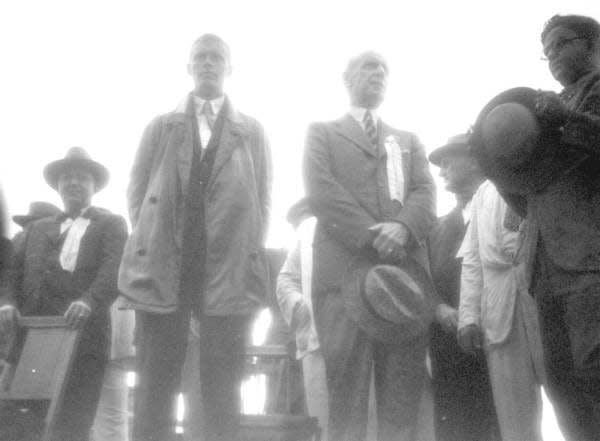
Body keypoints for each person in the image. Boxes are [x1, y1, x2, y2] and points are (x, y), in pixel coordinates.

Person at [118, 33, 272, 441]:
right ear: (189, 67)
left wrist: (245, 250)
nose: (208, 63)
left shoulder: (251, 132)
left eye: (216, 57)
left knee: (223, 380)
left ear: (229, 68)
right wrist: (156, 241)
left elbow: (263, 201)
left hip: (226, 268)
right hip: (167, 265)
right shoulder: (161, 127)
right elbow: (138, 194)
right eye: (200, 57)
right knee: (155, 379)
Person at [303, 50, 436, 441]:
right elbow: (322, 190)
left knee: (401, 399)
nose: (378, 72)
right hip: (343, 280)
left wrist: (403, 227)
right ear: (347, 79)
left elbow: (426, 192)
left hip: (403, 281)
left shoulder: (407, 139)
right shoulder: (322, 132)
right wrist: (375, 234)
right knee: (348, 395)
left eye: (383, 68)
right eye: (368, 66)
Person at [481, 14, 600, 441]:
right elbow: (527, 198)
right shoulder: (543, 110)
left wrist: (569, 117)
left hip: (589, 257)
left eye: (560, 44)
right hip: (544, 263)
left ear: (591, 44)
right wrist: (495, 165)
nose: (551, 55)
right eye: (545, 50)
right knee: (561, 380)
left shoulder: (577, 100)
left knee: (594, 366)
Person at [0, 147, 128, 441]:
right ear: (58, 186)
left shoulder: (110, 224)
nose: (73, 183)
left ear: (94, 186)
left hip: (84, 337)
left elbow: (113, 271)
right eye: (67, 178)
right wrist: (6, 302)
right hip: (34, 338)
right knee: (26, 418)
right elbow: (10, 273)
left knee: (73, 421)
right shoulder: (37, 229)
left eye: (82, 178)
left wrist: (88, 300)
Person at [457, 180, 545, 441]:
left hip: (544, 301)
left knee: (570, 403)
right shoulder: (483, 193)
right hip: (499, 312)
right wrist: (468, 316)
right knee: (515, 418)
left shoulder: (539, 172)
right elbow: (472, 256)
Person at [427, 134, 499, 441]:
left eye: (447, 162)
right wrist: (437, 308)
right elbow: (422, 282)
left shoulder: (502, 211)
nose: (441, 171)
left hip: (495, 342)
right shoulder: (435, 229)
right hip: (448, 352)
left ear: (473, 160)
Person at [276, 198, 329, 440]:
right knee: (322, 416)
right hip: (318, 338)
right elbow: (286, 279)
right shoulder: (306, 235)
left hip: (359, 334)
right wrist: (299, 305)